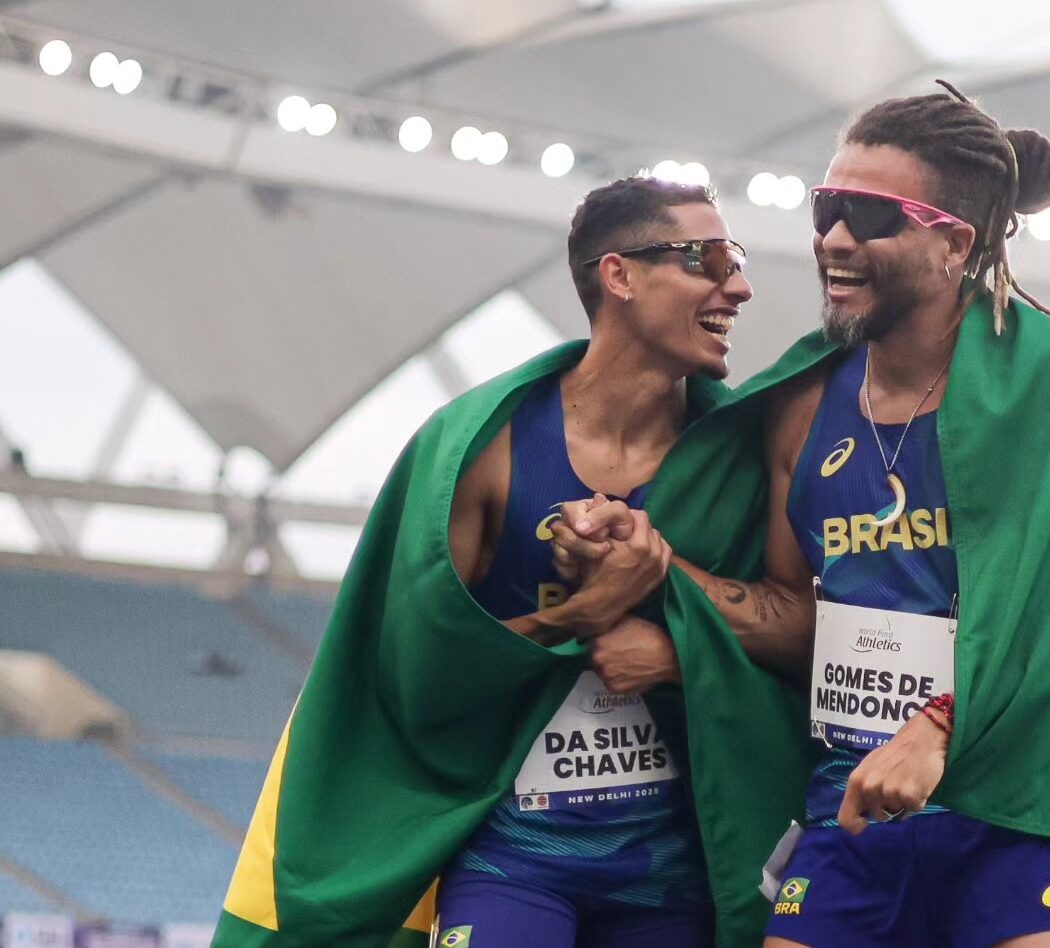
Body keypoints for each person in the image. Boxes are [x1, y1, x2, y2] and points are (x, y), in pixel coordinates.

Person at [554, 83, 1050, 948]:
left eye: (871, 216)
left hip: (1019, 811)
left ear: (952, 242)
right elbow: (792, 614)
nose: (835, 240)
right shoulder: (804, 406)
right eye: (828, 209)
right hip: (850, 817)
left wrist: (939, 731)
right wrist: (663, 563)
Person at [215, 176, 811, 948]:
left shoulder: (741, 455)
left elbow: (803, 637)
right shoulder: (482, 448)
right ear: (619, 274)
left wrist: (677, 636)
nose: (739, 285)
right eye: (708, 258)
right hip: (514, 859)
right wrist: (584, 614)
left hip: (674, 865)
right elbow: (417, 679)